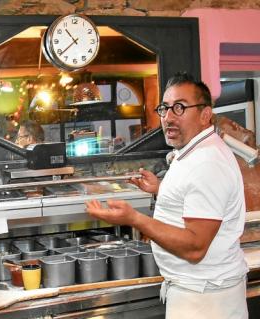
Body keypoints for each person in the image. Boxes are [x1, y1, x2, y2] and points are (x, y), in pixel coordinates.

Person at [85, 72, 248, 319]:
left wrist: (134, 219)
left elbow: (195, 247)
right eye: (164, 108)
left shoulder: (207, 163)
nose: (168, 117)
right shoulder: (196, 151)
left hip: (206, 301)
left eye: (180, 108)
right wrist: (161, 189)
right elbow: (195, 199)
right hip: (198, 291)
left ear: (205, 114)